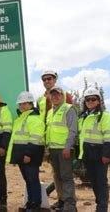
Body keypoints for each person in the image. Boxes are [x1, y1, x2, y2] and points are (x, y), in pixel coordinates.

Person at [37, 70, 73, 210]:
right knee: (56, 174)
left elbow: (71, 118)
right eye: (44, 79)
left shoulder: (65, 95)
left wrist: (69, 143)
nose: (47, 81)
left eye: (49, 78)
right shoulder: (40, 99)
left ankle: (69, 204)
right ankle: (61, 200)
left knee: (65, 175)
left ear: (55, 79)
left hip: (63, 142)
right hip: (48, 140)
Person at [6, 91, 45, 212]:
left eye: (25, 103)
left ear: (31, 104)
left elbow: (36, 138)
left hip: (30, 155)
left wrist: (28, 154)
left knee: (32, 180)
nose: (22, 106)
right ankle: (30, 203)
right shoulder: (22, 118)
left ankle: (35, 205)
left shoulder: (34, 118)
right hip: (22, 155)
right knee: (28, 180)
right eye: (20, 104)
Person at [78, 88, 110, 212]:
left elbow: (109, 137)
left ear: (99, 100)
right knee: (94, 182)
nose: (90, 101)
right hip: (88, 154)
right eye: (88, 99)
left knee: (101, 182)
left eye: (93, 99)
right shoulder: (83, 117)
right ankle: (99, 205)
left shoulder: (105, 116)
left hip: (100, 155)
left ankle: (102, 208)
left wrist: (107, 155)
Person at [46, 86, 78, 212]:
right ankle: (62, 203)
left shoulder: (68, 109)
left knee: (66, 177)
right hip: (53, 149)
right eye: (52, 95)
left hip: (64, 149)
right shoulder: (50, 112)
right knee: (57, 177)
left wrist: (67, 147)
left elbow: (72, 130)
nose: (55, 97)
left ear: (62, 96)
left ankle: (70, 207)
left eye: (58, 95)